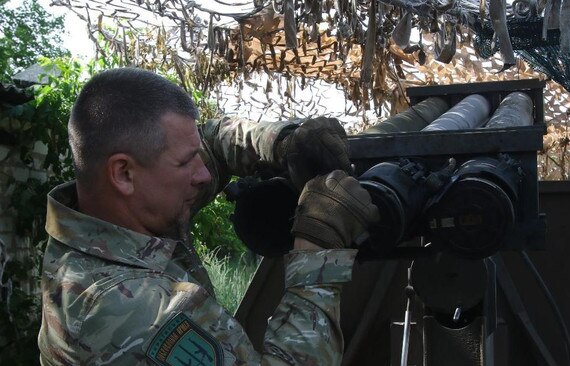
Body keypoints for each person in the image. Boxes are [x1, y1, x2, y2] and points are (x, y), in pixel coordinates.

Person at [38, 68, 379, 365]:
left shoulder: (107, 218)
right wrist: (318, 244)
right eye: (186, 162)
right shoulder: (130, 308)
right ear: (123, 173)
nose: (203, 174)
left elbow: (213, 140)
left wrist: (281, 143)